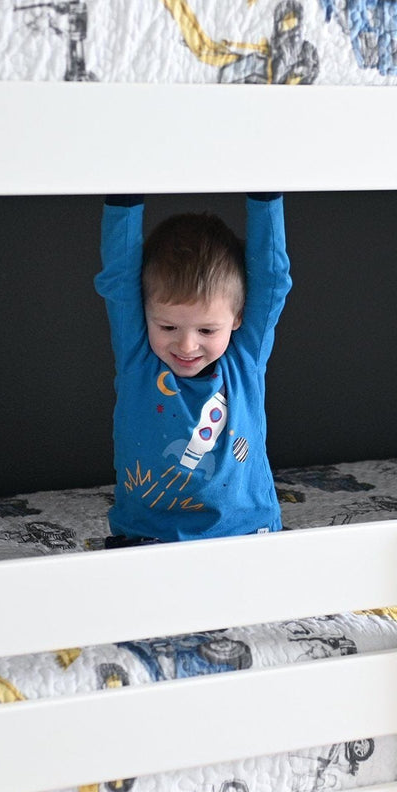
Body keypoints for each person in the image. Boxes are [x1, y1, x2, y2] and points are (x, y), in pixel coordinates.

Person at [94, 192, 290, 545]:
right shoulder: (138, 358)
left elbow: (272, 280)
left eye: (207, 330)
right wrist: (123, 197)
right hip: (146, 537)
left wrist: (266, 196)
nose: (186, 346)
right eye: (168, 328)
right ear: (145, 316)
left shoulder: (244, 359)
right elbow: (118, 280)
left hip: (247, 534)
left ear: (238, 318)